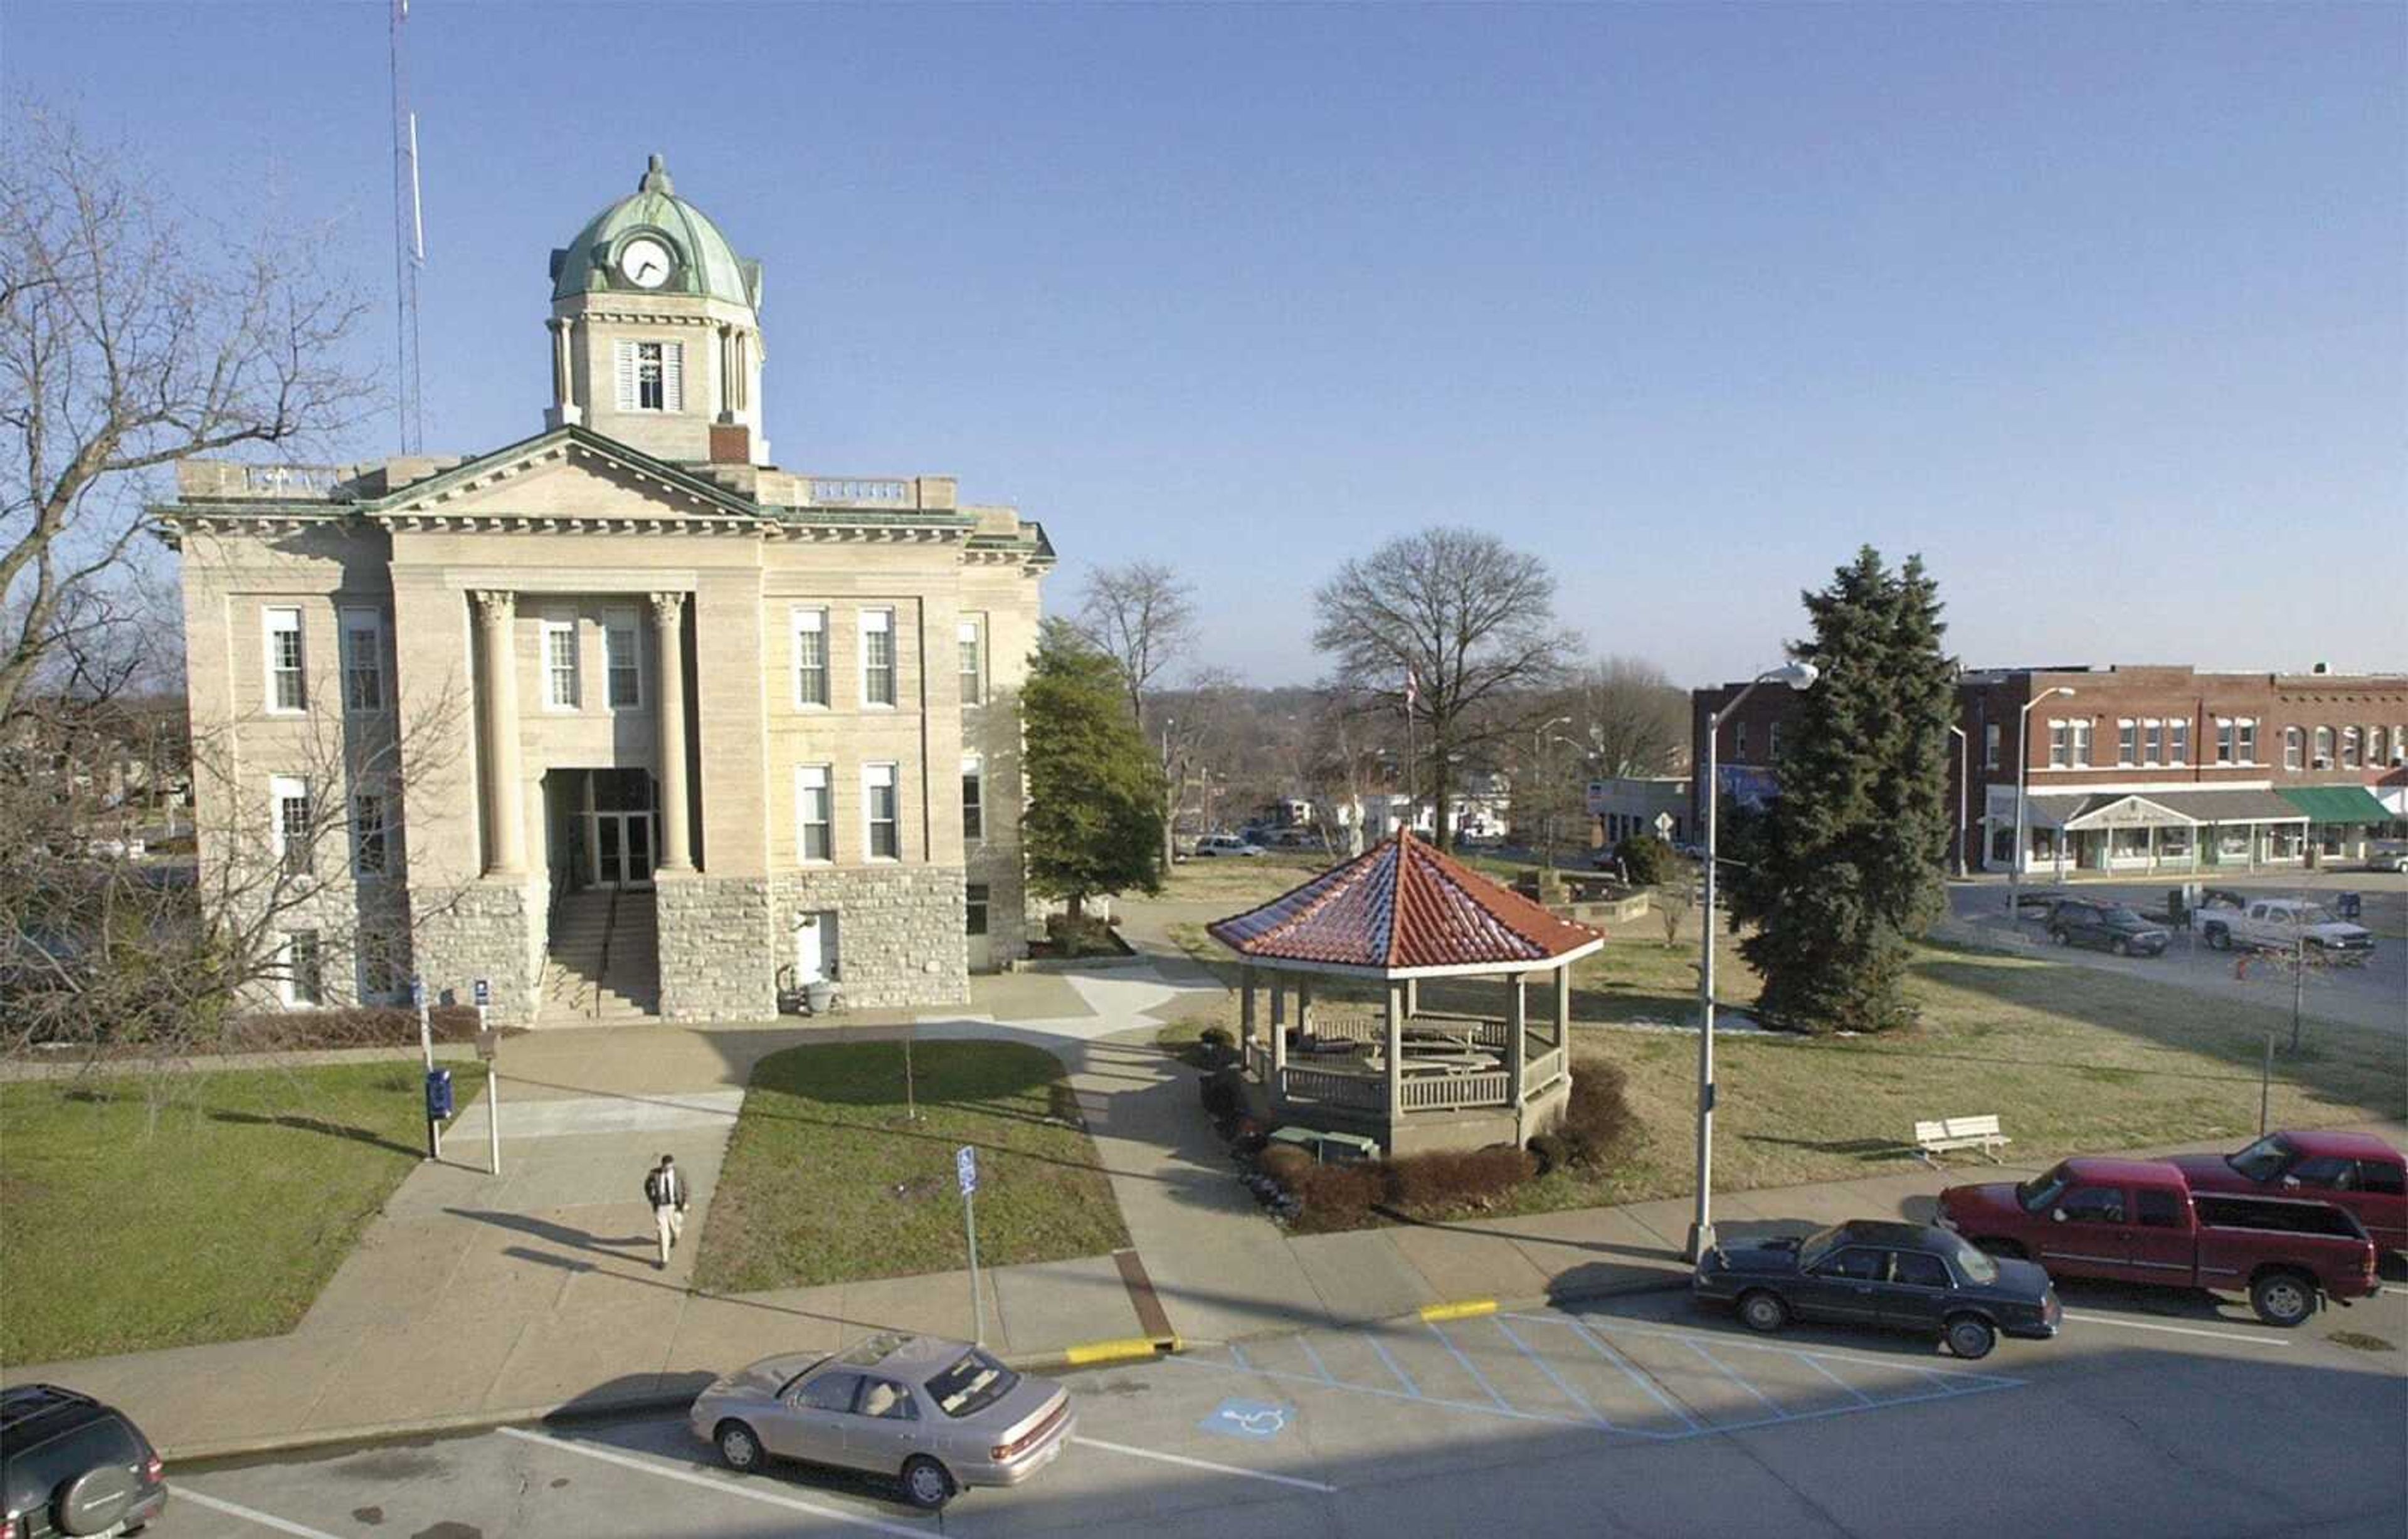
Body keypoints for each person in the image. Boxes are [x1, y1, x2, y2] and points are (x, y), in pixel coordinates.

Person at [644, 1153, 687, 1269]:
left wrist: (685, 1203)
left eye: (670, 1168)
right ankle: (664, 1260)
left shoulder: (680, 1173)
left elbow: (686, 1189)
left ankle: (675, 1237)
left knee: (675, 1229)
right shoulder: (654, 1174)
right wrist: (651, 1198)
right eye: (666, 1168)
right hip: (661, 1207)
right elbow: (647, 1185)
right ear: (662, 1166)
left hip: (675, 1207)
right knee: (662, 1233)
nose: (668, 1170)